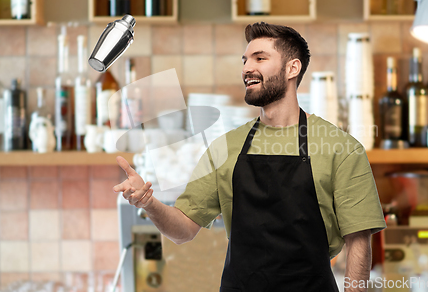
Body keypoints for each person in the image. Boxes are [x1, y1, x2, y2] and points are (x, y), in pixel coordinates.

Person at [114, 22, 386, 292]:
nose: (246, 68)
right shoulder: (226, 149)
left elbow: (359, 242)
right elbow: (183, 230)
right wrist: (149, 202)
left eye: (260, 58)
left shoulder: (341, 149)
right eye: (244, 60)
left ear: (292, 68)